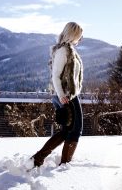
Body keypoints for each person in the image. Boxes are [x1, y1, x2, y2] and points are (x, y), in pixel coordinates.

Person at [31, 22, 84, 167]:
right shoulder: (63, 51)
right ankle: (64, 164)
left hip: (69, 95)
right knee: (76, 129)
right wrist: (62, 96)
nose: (80, 38)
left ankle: (37, 159)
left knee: (68, 130)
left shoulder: (69, 49)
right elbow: (55, 76)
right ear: (72, 34)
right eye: (78, 35)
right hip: (66, 96)